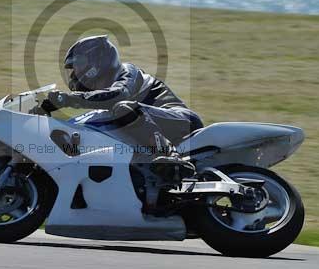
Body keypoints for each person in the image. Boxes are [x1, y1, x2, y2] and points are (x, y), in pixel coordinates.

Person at [42, 35, 203, 181]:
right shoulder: (105, 99)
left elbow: (118, 95)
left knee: (123, 108)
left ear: (98, 59)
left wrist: (70, 99)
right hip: (149, 126)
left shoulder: (127, 71)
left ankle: (170, 156)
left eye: (80, 64)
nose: (75, 73)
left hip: (181, 121)